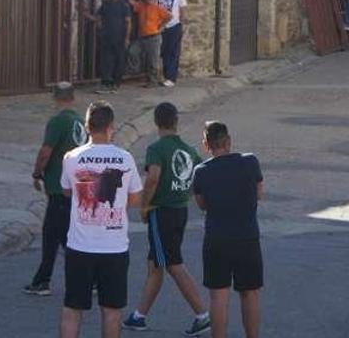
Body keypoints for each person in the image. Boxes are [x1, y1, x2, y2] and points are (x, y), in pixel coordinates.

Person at [123, 103, 210, 336]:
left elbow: (152, 178)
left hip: (161, 212)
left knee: (172, 263)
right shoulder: (188, 150)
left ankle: (202, 315)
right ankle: (138, 316)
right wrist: (184, 193)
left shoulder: (157, 149)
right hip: (180, 210)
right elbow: (198, 177)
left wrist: (144, 206)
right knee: (156, 263)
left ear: (156, 122)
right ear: (176, 121)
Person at [59, 101, 144, 338]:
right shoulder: (124, 158)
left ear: (87, 126)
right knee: (112, 311)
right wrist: (115, 209)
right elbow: (136, 198)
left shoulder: (71, 157)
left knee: (72, 309)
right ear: (111, 127)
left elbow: (67, 191)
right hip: (114, 247)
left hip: (79, 246)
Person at [192, 121, 264, 338]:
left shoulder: (201, 171)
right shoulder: (250, 162)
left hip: (217, 239)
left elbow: (202, 204)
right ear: (229, 141)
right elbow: (259, 192)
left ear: (207, 145)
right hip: (247, 237)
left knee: (218, 297)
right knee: (249, 294)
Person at [24, 82, 87, 296]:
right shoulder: (80, 122)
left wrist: (36, 172)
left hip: (59, 185)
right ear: (73, 97)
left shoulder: (58, 121)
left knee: (56, 234)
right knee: (59, 235)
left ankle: (47, 280)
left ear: (55, 97)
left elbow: (46, 151)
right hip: (77, 183)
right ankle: (43, 278)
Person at [95, 0, 132, 94]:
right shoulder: (105, 4)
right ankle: (107, 82)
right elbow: (99, 17)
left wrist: (127, 38)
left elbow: (128, 22)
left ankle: (116, 83)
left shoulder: (123, 5)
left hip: (119, 37)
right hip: (107, 37)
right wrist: (100, 28)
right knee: (107, 60)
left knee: (119, 60)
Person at [132, 0, 173, 87]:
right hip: (142, 37)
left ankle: (153, 81)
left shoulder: (157, 8)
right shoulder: (141, 6)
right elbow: (132, 4)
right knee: (133, 52)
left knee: (153, 60)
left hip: (154, 37)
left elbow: (170, 16)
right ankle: (135, 71)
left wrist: (161, 27)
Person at [155, 0, 188, 88]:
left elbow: (182, 9)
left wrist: (181, 24)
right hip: (160, 26)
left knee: (173, 52)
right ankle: (164, 76)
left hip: (174, 25)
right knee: (163, 52)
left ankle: (171, 77)